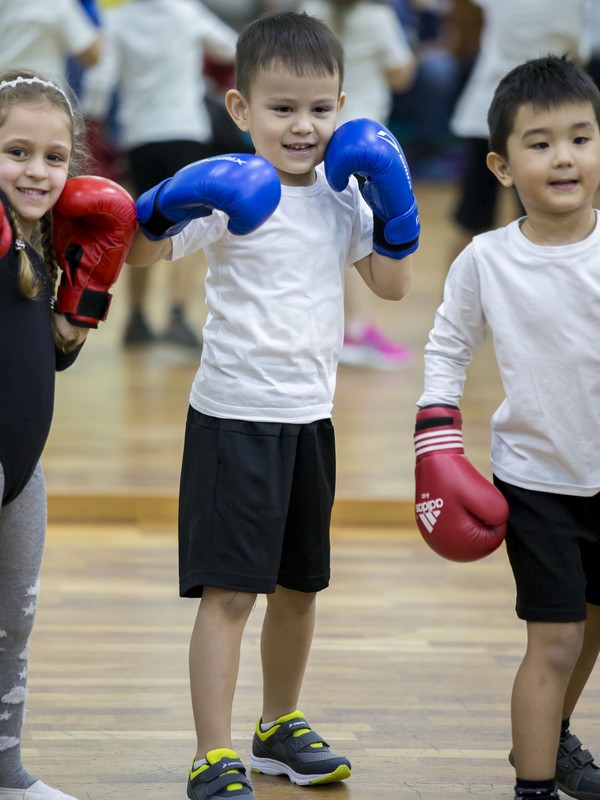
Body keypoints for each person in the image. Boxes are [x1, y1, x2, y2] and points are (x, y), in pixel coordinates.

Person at [126, 10, 418, 799]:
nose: (304, 125)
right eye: (283, 108)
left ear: (343, 107)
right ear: (241, 109)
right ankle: (212, 751)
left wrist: (397, 211)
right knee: (230, 594)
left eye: (321, 108)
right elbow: (138, 252)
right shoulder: (232, 193)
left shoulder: (342, 197)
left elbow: (390, 286)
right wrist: (164, 202)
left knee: (300, 587)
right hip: (232, 417)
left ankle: (277, 726)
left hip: (309, 420)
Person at [413, 54, 600, 800]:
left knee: (588, 633)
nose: (564, 156)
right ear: (500, 165)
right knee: (552, 640)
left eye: (582, 138)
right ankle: (531, 788)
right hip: (538, 483)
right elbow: (447, 346)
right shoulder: (487, 260)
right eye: (541, 141)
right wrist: (437, 438)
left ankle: (551, 739)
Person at [0, 69, 136, 800]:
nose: (37, 170)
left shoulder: (41, 246)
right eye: (16, 151)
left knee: (13, 625)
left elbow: (47, 354)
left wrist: (79, 306)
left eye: (55, 157)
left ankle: (5, 772)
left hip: (22, 467)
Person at [81, 0, 238, 347]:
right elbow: (230, 46)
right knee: (197, 222)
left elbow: (102, 79)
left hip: (141, 137)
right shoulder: (186, 11)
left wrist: (89, 126)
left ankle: (136, 318)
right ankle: (177, 315)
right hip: (185, 130)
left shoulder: (117, 19)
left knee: (146, 225)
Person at [300, 0, 416, 369]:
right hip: (365, 144)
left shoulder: (309, 9)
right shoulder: (378, 17)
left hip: (317, 140)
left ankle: (345, 327)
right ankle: (352, 329)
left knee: (334, 231)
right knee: (354, 236)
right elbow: (401, 75)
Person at [447, 0, 584, 263]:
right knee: (547, 223)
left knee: (473, 220)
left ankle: (451, 299)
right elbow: (580, 52)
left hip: (490, 112)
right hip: (544, 117)